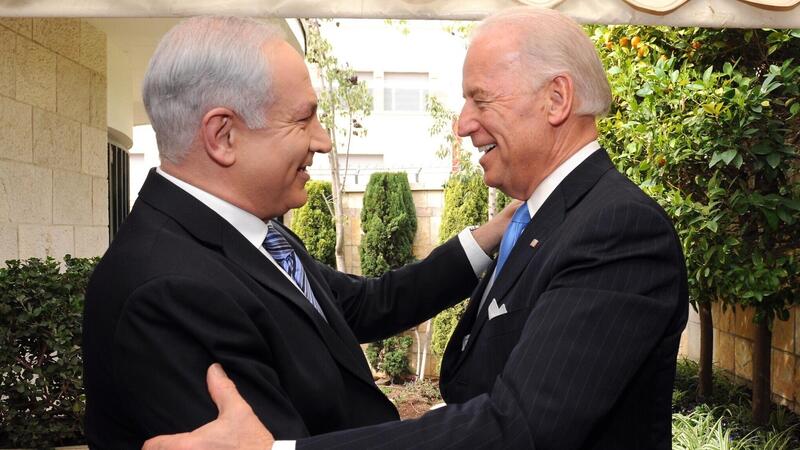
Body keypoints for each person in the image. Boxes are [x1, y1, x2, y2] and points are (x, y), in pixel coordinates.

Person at [144, 6, 689, 450]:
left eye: (480, 98)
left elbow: (523, 426)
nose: (462, 124)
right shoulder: (540, 219)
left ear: (556, 99)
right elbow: (369, 309)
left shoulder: (618, 229)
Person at [82, 16, 513, 449]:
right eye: (303, 120)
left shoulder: (258, 234)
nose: (323, 140)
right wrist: (493, 425)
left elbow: (361, 306)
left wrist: (489, 235)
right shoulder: (168, 292)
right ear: (223, 135)